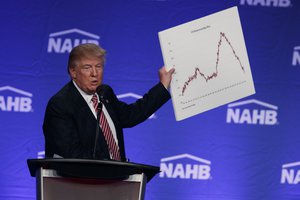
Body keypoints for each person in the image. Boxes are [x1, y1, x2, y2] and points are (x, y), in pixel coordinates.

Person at [43, 43, 174, 161]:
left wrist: (162, 86)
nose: (94, 73)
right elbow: (69, 154)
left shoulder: (104, 93)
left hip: (116, 181)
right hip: (81, 183)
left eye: (98, 66)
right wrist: (108, 167)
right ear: (73, 72)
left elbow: (131, 115)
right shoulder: (61, 104)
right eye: (87, 67)